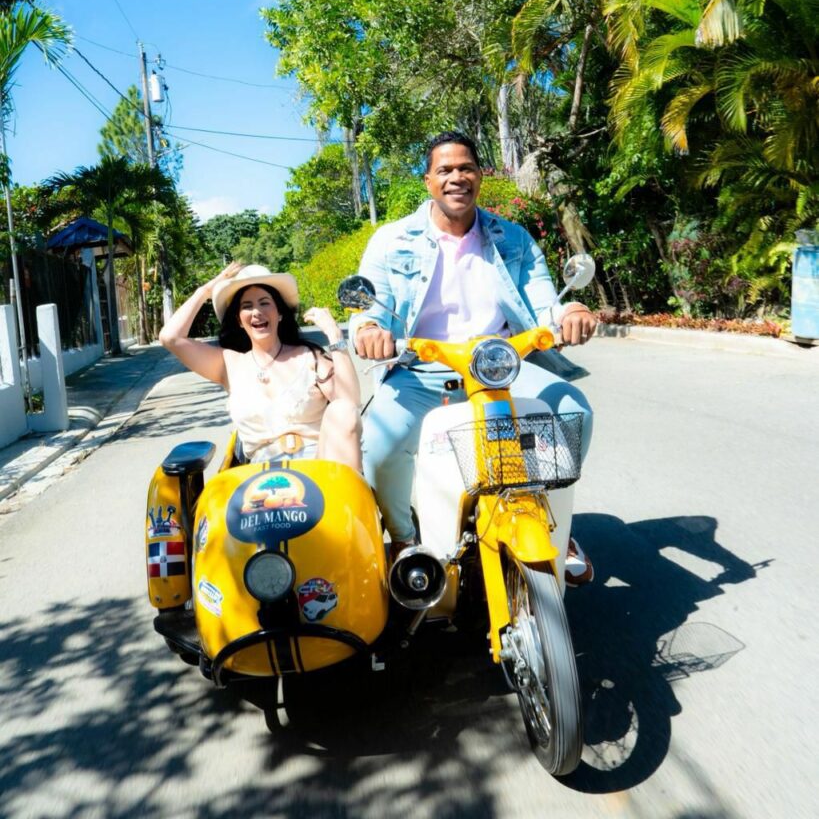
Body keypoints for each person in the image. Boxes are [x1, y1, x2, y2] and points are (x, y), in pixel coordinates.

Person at [351, 132, 597, 582]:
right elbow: (370, 310)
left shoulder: (513, 238)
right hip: (422, 369)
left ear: (480, 176)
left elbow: (544, 303)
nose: (456, 178)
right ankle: (405, 538)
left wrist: (570, 312)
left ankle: (556, 522)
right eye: (444, 170)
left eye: (466, 168)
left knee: (573, 411)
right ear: (428, 181)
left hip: (501, 365)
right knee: (379, 449)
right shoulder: (391, 240)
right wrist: (368, 330)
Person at [159, 263, 362, 472]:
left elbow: (350, 403)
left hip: (320, 471)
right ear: (239, 320)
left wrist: (334, 335)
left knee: (343, 409)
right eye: (247, 306)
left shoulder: (310, 356)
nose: (256, 312)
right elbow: (170, 337)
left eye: (265, 303)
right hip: (259, 479)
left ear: (280, 313)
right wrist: (207, 291)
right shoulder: (229, 363)